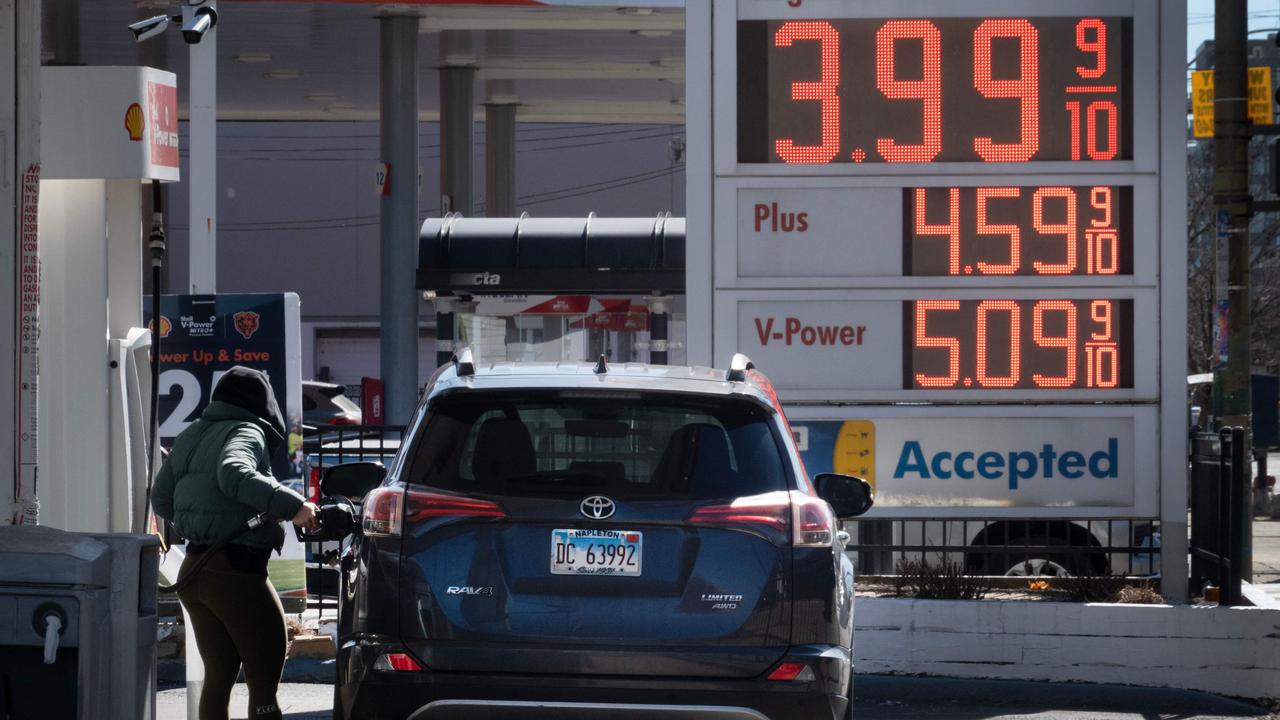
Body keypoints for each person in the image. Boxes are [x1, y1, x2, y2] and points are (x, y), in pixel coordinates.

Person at [152, 366, 318, 720]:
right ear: (263, 405)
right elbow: (235, 473)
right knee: (263, 685)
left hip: (194, 569)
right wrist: (296, 507)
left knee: (218, 679)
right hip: (235, 571)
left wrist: (201, 519)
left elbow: (162, 499)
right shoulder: (248, 429)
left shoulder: (193, 433)